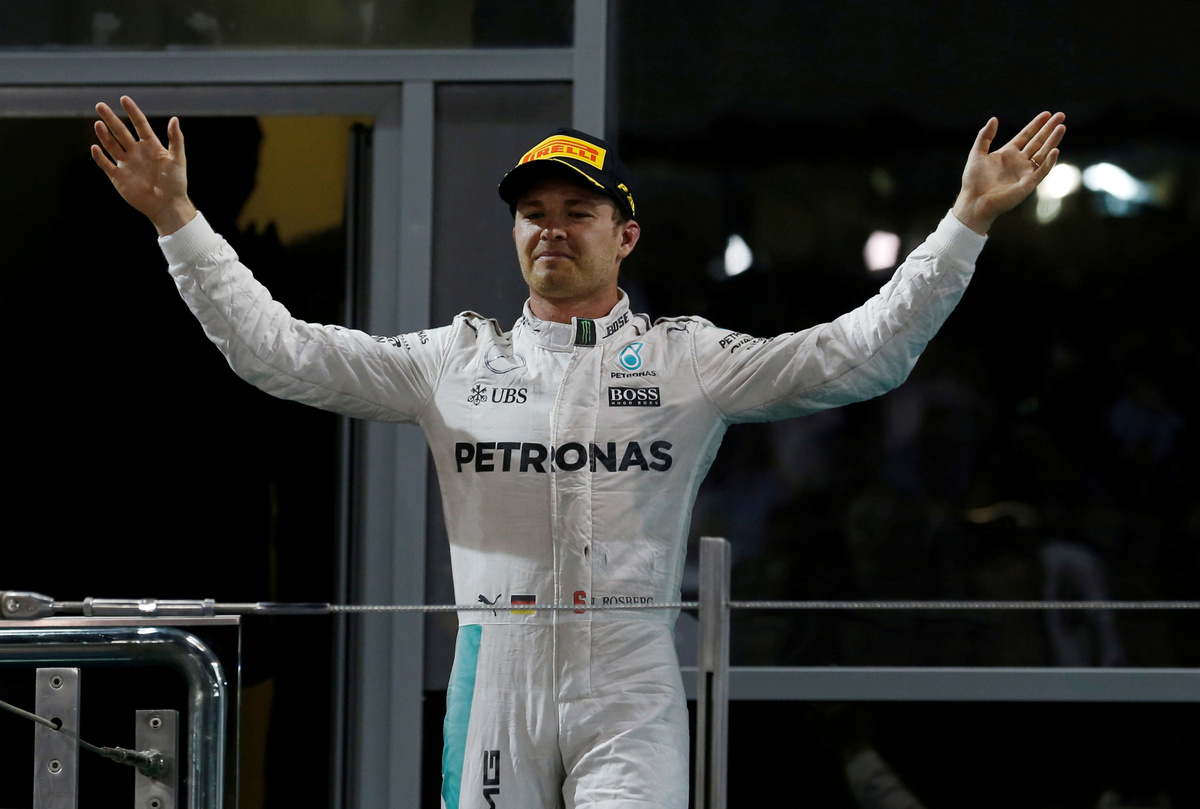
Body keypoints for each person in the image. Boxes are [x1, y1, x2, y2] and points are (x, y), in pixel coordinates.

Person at [91, 96, 1064, 809]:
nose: (551, 229)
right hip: (495, 671)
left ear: (625, 234)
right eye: (534, 213)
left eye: (577, 212)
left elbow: (862, 354)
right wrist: (179, 221)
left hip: (631, 674)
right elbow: (279, 353)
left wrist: (965, 223)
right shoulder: (453, 360)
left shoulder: (688, 359)